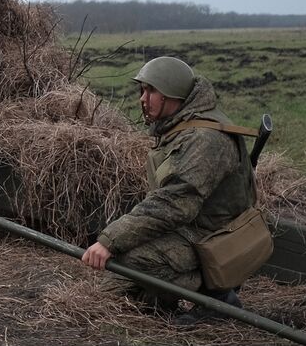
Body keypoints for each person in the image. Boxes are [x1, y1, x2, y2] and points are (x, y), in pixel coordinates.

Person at [80, 56, 256, 320]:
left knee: (130, 260)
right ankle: (161, 298)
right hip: (192, 227)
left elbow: (175, 203)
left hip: (215, 238)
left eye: (151, 91)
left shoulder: (205, 140)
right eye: (142, 90)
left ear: (173, 94)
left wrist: (110, 240)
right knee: (116, 286)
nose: (143, 99)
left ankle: (217, 297)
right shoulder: (181, 126)